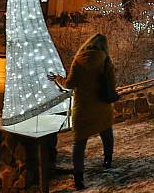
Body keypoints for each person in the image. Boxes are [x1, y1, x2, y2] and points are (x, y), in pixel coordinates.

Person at [48, 33, 116, 191]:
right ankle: (107, 161)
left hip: (82, 108)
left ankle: (78, 178)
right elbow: (112, 84)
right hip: (101, 107)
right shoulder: (106, 61)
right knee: (106, 133)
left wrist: (58, 78)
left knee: (79, 143)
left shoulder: (78, 60)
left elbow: (70, 84)